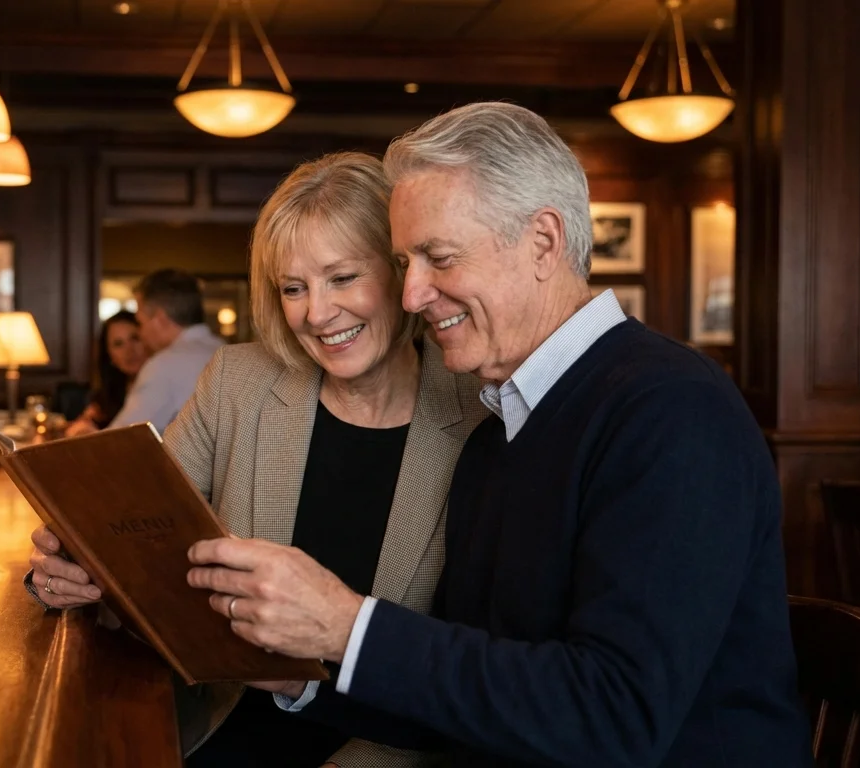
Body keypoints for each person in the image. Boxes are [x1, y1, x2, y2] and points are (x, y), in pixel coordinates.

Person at [185, 103, 812, 766]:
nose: (411, 295)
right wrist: (298, 679)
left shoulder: (671, 410)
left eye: (439, 258)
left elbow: (614, 719)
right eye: (405, 262)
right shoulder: (499, 430)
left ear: (543, 242)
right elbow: (463, 697)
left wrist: (347, 626)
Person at [27, 152, 489, 766]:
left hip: (386, 747)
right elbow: (132, 534)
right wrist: (64, 571)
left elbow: (481, 670)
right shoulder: (238, 382)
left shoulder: (483, 416)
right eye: (294, 288)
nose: (316, 314)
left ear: (403, 273)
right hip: (214, 728)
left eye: (343, 277)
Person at [73, 269, 224, 435]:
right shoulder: (225, 351)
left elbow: (120, 440)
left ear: (159, 319)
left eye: (140, 322)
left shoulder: (165, 365)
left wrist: (82, 435)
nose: (142, 333)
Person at [65, 310, 147, 437]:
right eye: (118, 344)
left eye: (135, 338)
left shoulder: (161, 384)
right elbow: (79, 428)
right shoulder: (106, 396)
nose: (129, 350)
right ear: (110, 357)